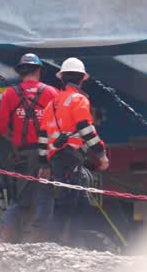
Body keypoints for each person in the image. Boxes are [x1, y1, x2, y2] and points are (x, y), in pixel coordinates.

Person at [43, 57, 109, 245]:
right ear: (82, 79)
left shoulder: (53, 103)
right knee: (69, 201)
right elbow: (86, 129)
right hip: (71, 156)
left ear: (62, 78)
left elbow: (43, 135)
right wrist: (101, 153)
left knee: (78, 201)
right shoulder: (79, 99)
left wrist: (43, 162)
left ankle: (70, 242)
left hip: (57, 156)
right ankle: (59, 243)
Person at [0, 53, 57, 243]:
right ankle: (40, 238)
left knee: (20, 197)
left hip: (22, 154)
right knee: (45, 196)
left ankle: (7, 238)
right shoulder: (51, 93)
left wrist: (15, 137)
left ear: (21, 72)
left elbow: (0, 126)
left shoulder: (10, 94)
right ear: (38, 71)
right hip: (46, 154)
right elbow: (57, 125)